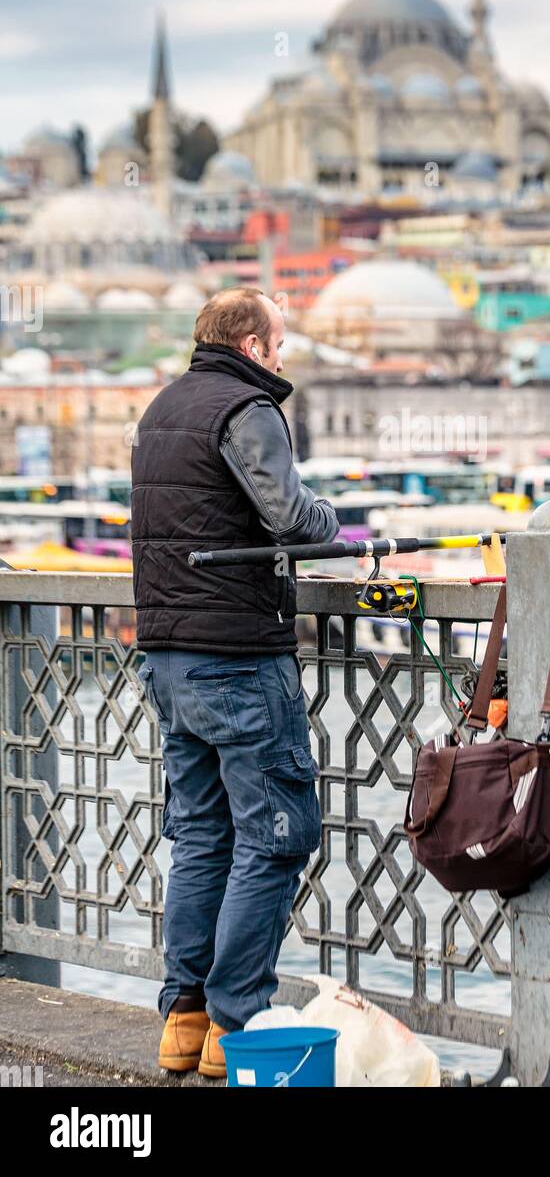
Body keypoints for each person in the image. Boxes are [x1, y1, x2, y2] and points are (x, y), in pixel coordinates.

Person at [131, 286, 339, 1078]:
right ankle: (234, 1021)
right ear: (252, 346)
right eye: (279, 344)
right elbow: (288, 514)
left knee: (202, 836)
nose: (282, 359)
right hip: (239, 658)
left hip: (169, 658)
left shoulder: (162, 408)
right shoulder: (246, 408)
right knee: (277, 834)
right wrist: (336, 527)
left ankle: (181, 1020)